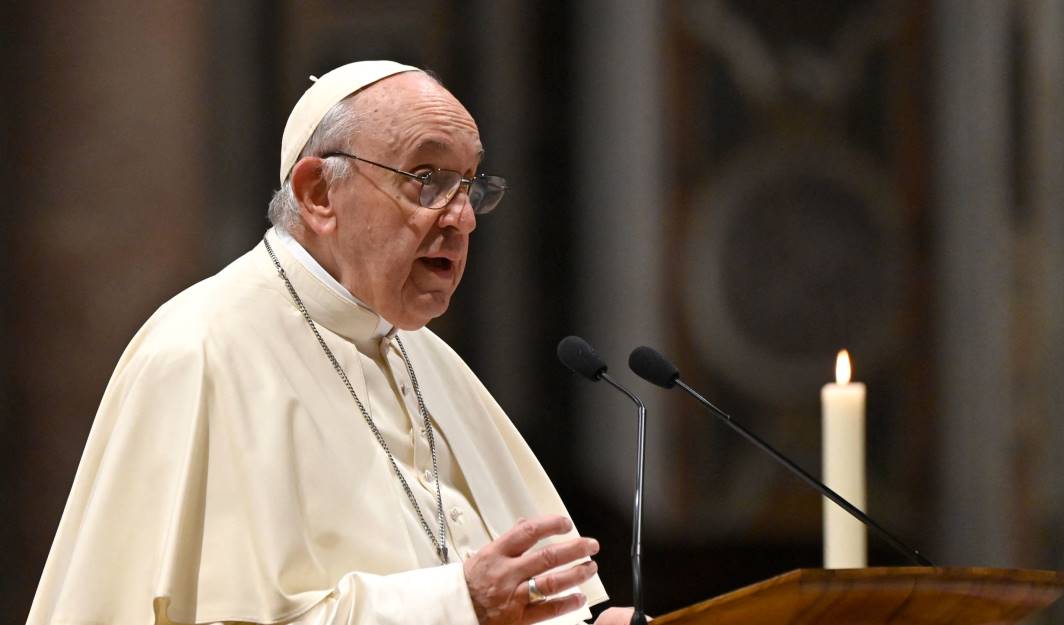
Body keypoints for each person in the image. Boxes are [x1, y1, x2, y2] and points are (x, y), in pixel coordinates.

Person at [26, 60, 632, 625]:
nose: (462, 218)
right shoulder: (201, 351)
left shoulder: (427, 359)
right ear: (318, 193)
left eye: (470, 185)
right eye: (427, 180)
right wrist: (458, 603)